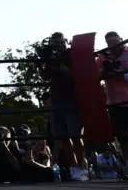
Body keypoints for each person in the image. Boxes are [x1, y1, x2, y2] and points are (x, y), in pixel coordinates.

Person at [39, 32, 87, 181]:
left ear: (65, 41)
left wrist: (60, 65)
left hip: (72, 98)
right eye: (55, 43)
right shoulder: (51, 56)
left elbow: (78, 75)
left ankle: (82, 168)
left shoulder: (72, 54)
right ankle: (74, 169)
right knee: (62, 137)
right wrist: (41, 63)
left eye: (60, 42)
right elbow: (45, 77)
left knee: (76, 135)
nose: (58, 45)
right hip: (56, 99)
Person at [96, 31, 128, 179]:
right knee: (123, 137)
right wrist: (105, 71)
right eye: (109, 44)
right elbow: (96, 75)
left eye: (115, 42)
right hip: (115, 102)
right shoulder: (103, 56)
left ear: (121, 40)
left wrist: (123, 74)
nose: (113, 46)